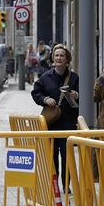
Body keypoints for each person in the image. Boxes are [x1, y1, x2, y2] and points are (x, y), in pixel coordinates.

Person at [31, 43, 79, 183]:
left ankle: (66, 185)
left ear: (67, 59)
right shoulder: (45, 78)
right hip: (51, 123)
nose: (59, 58)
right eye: (56, 55)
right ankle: (54, 185)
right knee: (52, 155)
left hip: (68, 123)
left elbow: (85, 98)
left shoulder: (75, 78)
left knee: (67, 156)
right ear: (53, 58)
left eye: (62, 56)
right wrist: (45, 99)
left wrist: (77, 94)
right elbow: (36, 93)